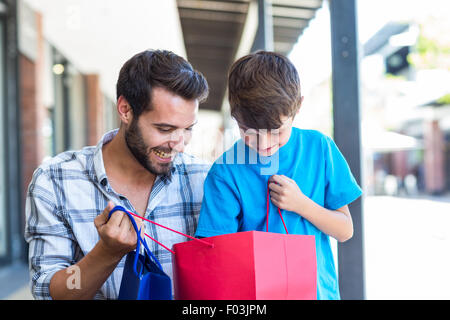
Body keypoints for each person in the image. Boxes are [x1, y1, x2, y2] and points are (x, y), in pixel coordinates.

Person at [24, 49, 209, 300]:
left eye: (188, 129)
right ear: (125, 110)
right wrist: (106, 254)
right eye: (165, 128)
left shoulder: (204, 180)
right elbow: (49, 291)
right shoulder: (55, 181)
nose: (179, 143)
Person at [195, 51, 362, 300]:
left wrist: (301, 204)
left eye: (276, 131)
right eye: (248, 131)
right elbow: (217, 257)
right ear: (235, 117)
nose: (264, 144)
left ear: (298, 107)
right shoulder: (225, 172)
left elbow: (345, 230)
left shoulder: (320, 148)